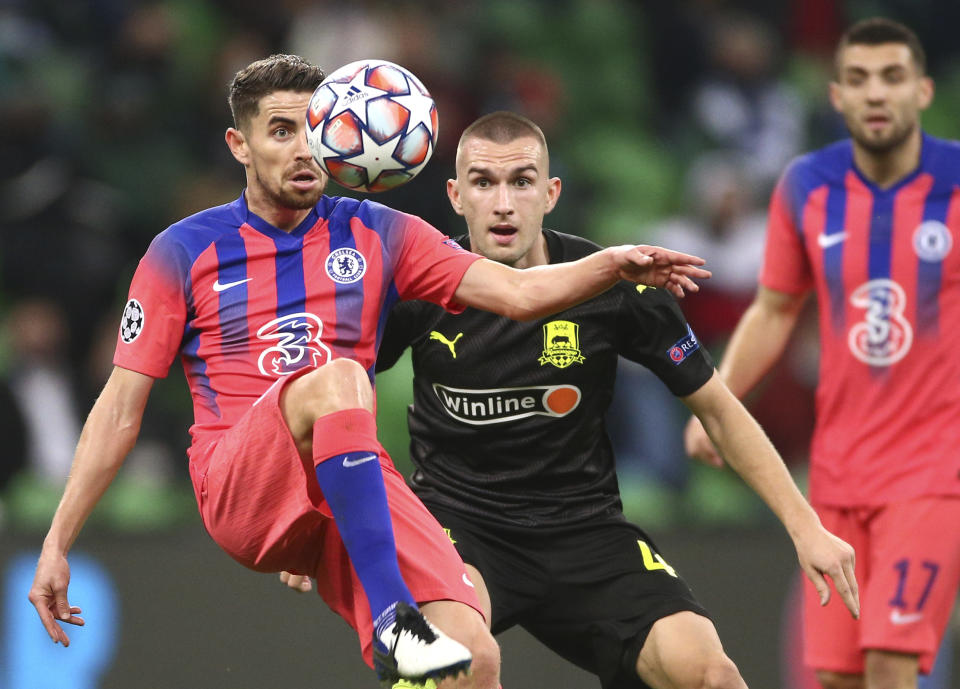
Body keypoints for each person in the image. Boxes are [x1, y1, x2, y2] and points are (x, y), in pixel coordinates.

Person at [26, 54, 710, 689]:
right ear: (240, 146)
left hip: (345, 477)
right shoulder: (181, 251)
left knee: (472, 654)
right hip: (239, 480)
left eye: (315, 128)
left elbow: (517, 292)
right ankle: (392, 622)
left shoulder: (382, 231)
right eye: (281, 131)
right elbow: (120, 406)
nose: (304, 148)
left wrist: (610, 263)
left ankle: (410, 637)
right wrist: (58, 541)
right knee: (338, 378)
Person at [283, 111, 860, 689]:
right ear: (456, 196)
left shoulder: (616, 285)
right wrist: (298, 518)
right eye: (484, 183)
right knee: (461, 663)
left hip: (587, 531)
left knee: (712, 676)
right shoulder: (420, 287)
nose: (503, 203)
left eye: (522, 182)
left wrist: (804, 526)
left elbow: (717, 409)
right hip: (460, 528)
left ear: (551, 193)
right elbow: (326, 400)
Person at [685, 18, 960, 689]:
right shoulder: (807, 185)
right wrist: (717, 403)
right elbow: (774, 309)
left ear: (922, 90)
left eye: (893, 77)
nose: (877, 93)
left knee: (890, 661)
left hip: (933, 473)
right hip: (834, 477)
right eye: (859, 78)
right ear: (836, 95)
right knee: (834, 674)